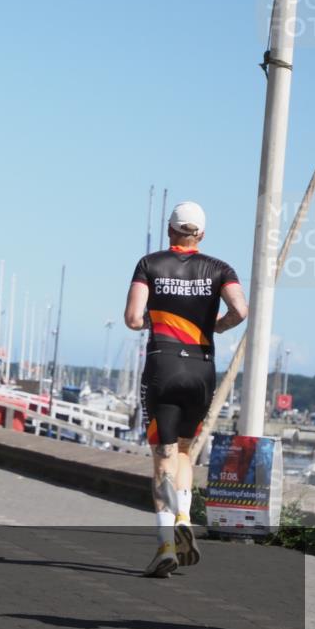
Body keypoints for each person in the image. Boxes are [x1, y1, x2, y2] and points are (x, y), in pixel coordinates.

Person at [124, 201, 247, 577]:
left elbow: (131, 319)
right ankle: (183, 515)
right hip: (201, 367)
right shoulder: (220, 269)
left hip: (163, 364)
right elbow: (241, 310)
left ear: (170, 230)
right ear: (202, 235)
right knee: (184, 452)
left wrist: (155, 320)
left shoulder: (150, 264)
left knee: (162, 456)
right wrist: (218, 327)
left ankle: (165, 543)